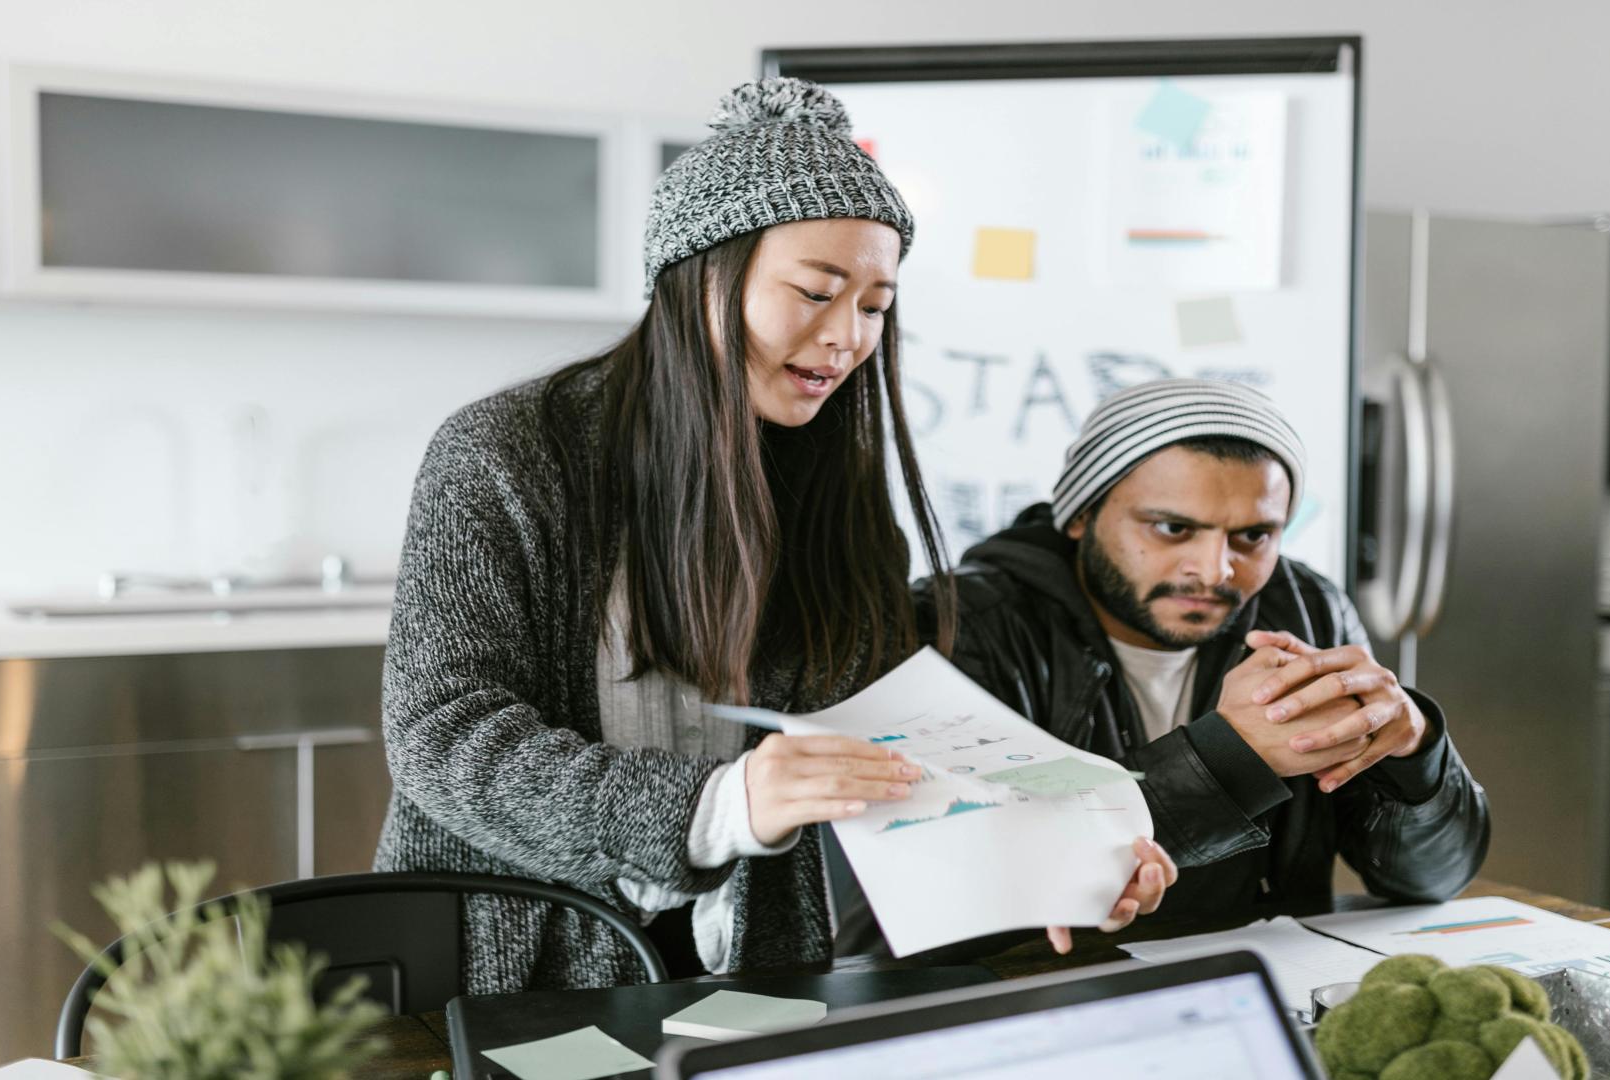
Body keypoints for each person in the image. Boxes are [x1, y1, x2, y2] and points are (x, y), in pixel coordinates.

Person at [374, 77, 1172, 993]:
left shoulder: (832, 491)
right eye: (816, 292)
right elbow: (444, 734)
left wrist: (1039, 859)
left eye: (875, 307)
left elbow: (884, 740)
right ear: (700, 275)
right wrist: (720, 805)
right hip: (510, 966)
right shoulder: (506, 454)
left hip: (746, 966)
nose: (847, 339)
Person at [916, 378, 1488, 925]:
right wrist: (1231, 758)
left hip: (1264, 989)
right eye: (1172, 528)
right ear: (1081, 514)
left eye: (1253, 537)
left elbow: (1432, 881)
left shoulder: (1305, 607)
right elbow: (954, 884)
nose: (1215, 571)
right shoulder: (963, 625)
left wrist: (1416, 752)